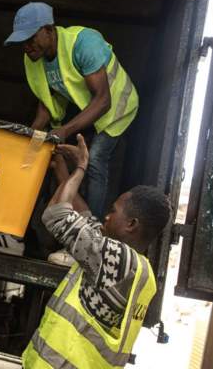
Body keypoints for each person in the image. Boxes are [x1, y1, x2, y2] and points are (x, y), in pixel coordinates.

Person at [0, 2, 139, 258]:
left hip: (116, 108)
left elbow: (103, 100)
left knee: (94, 162)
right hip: (88, 111)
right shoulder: (34, 59)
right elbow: (46, 103)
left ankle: (87, 245)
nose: (26, 47)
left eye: (30, 39)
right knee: (34, 158)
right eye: (21, 43)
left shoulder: (84, 43)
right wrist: (31, 139)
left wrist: (65, 129)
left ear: (48, 30)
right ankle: (13, 234)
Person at [22, 134, 171, 368]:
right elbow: (85, 216)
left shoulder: (116, 258)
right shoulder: (138, 269)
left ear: (131, 224)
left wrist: (81, 167)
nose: (107, 216)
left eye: (114, 211)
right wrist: (63, 172)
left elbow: (55, 215)